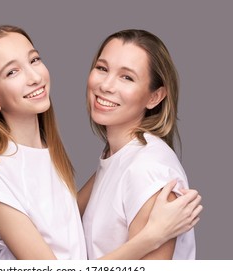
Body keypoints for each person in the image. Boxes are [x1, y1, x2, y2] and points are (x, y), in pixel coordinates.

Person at [0, 25, 202, 260]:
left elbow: (67, 217)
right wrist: (151, 236)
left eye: (34, 60)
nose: (34, 77)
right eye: (12, 71)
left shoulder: (143, 167)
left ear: (155, 96)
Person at [81, 29, 196, 259]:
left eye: (127, 77)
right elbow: (61, 224)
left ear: (155, 97)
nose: (106, 85)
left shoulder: (147, 170)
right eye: (102, 68)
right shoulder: (118, 157)